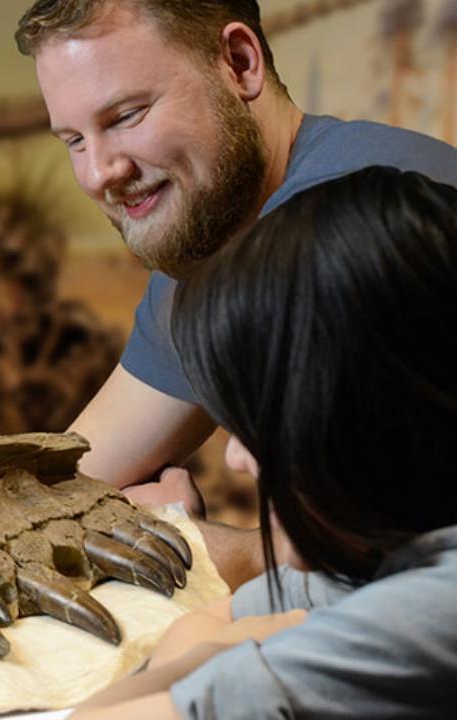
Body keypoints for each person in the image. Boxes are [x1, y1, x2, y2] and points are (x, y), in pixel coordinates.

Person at [14, 0, 457, 588]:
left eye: (126, 116)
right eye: (74, 140)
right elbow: (50, 493)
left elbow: (361, 564)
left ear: (241, 63)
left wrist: (188, 543)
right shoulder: (209, 228)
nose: (99, 173)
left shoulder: (360, 233)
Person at [69, 167, 457, 718]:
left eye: (262, 420)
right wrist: (244, 642)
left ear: (363, 417)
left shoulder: (431, 610)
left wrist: (241, 648)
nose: (236, 456)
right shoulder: (375, 563)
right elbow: (196, 629)